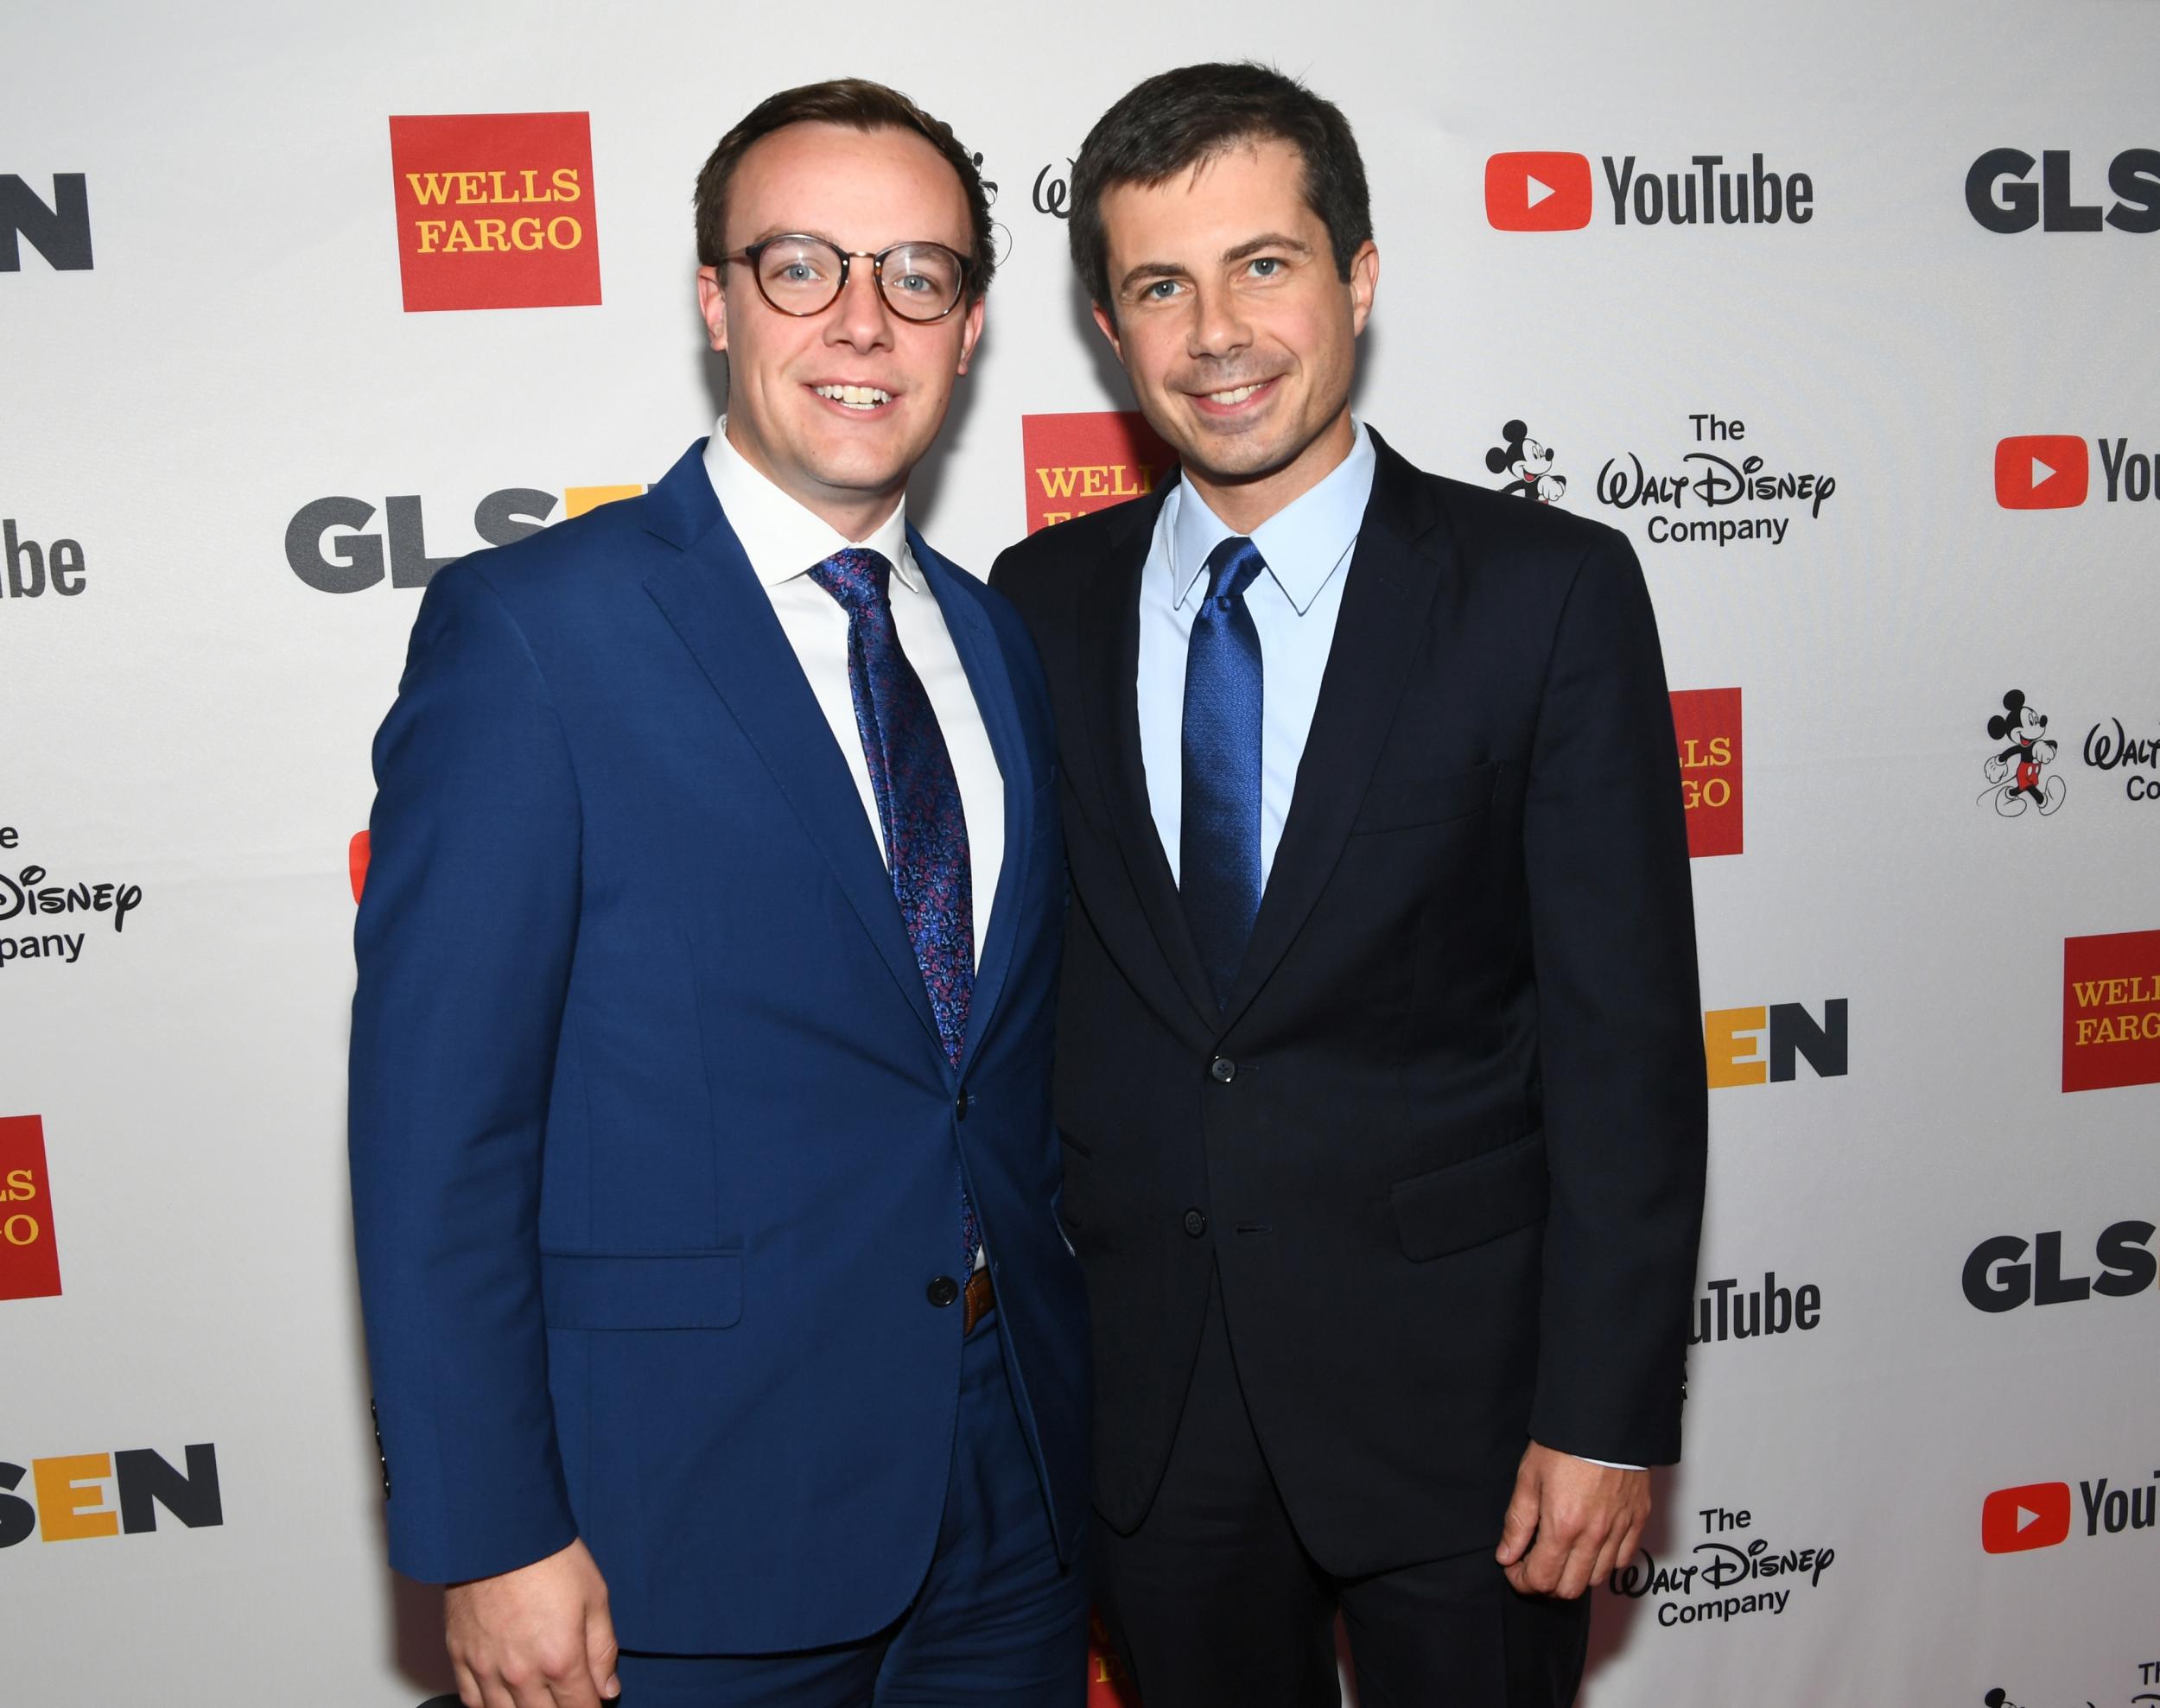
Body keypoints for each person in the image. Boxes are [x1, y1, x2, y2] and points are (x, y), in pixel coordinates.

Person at [350, 78, 1089, 1708]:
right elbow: (435, 1137)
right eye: (801, 264)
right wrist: (490, 1533)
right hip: (671, 1538)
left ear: (969, 329)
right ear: (715, 301)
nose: (863, 321)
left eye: (918, 275)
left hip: (1012, 1499)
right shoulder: (534, 635)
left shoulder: (997, 640)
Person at [989, 62, 1706, 1708]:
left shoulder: (1547, 594)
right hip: (1153, 1417)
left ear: (1359, 276)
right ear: (1110, 329)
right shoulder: (1038, 603)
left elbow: (1627, 1049)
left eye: (1263, 263)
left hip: (1467, 1418)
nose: (1215, 332)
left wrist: (1603, 1412)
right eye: (1160, 285)